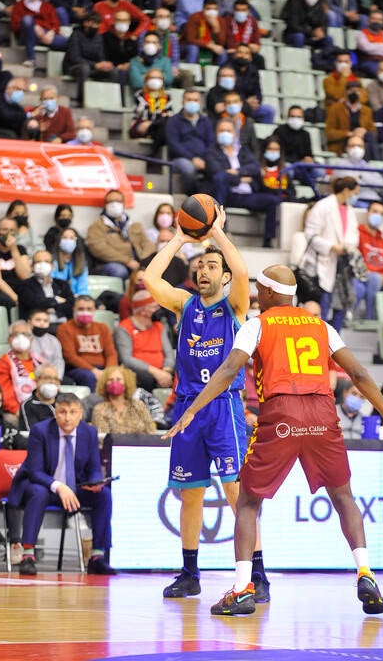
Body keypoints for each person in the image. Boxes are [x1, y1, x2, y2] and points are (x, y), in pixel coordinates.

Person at [165, 264, 383, 616]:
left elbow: (227, 370)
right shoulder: (321, 325)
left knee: (248, 503)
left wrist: (192, 410)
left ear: (266, 294)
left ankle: (241, 589)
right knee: (343, 496)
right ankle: (365, 571)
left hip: (282, 414)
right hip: (323, 414)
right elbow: (358, 373)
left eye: (257, 292)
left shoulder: (257, 324)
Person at [144, 208, 271, 603]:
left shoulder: (234, 307)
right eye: (200, 266)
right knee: (190, 495)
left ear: (225, 276)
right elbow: (149, 278)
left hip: (224, 407)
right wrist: (181, 240)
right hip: (187, 409)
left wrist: (216, 233)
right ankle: (189, 572)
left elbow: (243, 272)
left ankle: (259, 574)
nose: (203, 271)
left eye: (212, 266)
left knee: (237, 495)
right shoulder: (185, 305)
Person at [8, 392, 117, 576]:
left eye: (73, 412)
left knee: (104, 494)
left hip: (74, 488)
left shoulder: (88, 432)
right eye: (62, 412)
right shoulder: (40, 431)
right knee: (38, 492)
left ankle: (97, 557)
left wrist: (95, 482)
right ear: (55, 413)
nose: (67, 417)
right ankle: (28, 555)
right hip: (45, 485)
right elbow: (35, 472)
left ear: (80, 414)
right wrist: (59, 486)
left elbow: (94, 468)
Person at [205, 118, 280, 248]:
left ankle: (269, 241)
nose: (225, 133)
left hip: (248, 195)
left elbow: (255, 167)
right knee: (220, 180)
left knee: (272, 200)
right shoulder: (211, 152)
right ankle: (222, 229)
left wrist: (236, 171)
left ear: (234, 133)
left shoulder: (243, 150)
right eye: (222, 130)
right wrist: (242, 178)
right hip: (227, 195)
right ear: (216, 133)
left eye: (228, 130)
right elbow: (217, 174)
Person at [303, 176, 360, 332]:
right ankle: (318, 337)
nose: (356, 196)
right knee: (324, 302)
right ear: (346, 190)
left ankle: (335, 343)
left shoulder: (349, 210)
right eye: (355, 192)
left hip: (343, 264)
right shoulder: (323, 206)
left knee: (341, 303)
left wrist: (347, 246)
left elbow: (354, 234)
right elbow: (311, 234)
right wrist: (331, 247)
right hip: (323, 261)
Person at [86, 189, 155, 279]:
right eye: (111, 201)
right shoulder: (97, 226)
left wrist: (143, 261)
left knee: (155, 267)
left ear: (123, 204)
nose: (114, 204)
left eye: (118, 201)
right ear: (105, 205)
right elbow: (99, 249)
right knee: (119, 271)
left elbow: (148, 244)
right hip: (112, 263)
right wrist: (127, 261)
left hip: (138, 262)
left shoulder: (134, 225)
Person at [115, 289, 175, 392]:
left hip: (163, 371)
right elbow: (127, 359)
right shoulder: (124, 328)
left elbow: (169, 352)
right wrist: (155, 372)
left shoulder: (159, 327)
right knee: (145, 378)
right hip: (141, 372)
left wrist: (167, 370)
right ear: (142, 310)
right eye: (154, 307)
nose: (158, 310)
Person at [57, 295, 118, 391]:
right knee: (89, 377)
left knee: (121, 375)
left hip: (103, 367)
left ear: (94, 310)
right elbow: (70, 356)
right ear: (74, 310)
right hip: (78, 369)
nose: (85, 312)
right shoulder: (64, 328)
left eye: (89, 309)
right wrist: (93, 371)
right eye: (81, 309)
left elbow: (111, 354)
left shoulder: (103, 327)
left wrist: (108, 372)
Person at [11, 0, 67, 67]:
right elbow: (14, 26)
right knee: (27, 19)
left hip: (47, 36)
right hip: (28, 36)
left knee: (72, 41)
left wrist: (51, 32)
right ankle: (31, 59)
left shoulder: (47, 6)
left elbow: (56, 24)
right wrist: (35, 27)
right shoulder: (18, 6)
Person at [166, 88, 215, 195]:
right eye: (189, 100)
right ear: (183, 102)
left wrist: (205, 159)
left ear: (200, 102)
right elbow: (174, 145)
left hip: (204, 159)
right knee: (188, 169)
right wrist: (192, 159)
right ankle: (191, 197)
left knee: (217, 168)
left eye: (195, 100)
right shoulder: (173, 121)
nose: (192, 103)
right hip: (180, 159)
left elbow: (211, 143)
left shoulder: (206, 121)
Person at [354, 201, 383, 320]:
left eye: (381, 213)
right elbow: (355, 260)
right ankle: (370, 319)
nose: (377, 215)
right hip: (364, 275)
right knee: (375, 278)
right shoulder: (356, 234)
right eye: (375, 211)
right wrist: (379, 276)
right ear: (367, 213)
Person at [0, 320, 42, 418]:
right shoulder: (2, 363)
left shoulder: (38, 362)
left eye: (24, 334)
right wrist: (21, 412)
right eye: (16, 334)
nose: (20, 338)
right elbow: (4, 394)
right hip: (16, 412)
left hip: (41, 408)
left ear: (31, 339)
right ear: (9, 339)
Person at [0, 216, 31, 318]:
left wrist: (14, 250)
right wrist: (16, 298)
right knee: (6, 300)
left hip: (20, 288)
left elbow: (25, 275)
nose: (8, 233)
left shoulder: (20, 250)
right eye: (4, 229)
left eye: (12, 230)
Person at [62, 12, 115, 105]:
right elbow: (74, 57)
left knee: (113, 71)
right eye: (94, 23)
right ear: (86, 23)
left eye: (98, 24)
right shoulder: (76, 35)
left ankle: (110, 101)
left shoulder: (99, 37)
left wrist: (103, 64)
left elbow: (101, 56)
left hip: (93, 68)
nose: (96, 26)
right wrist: (94, 65)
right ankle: (81, 100)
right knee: (84, 68)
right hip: (73, 67)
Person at [91, 364, 156, 438]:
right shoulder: (100, 409)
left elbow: (151, 432)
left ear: (126, 383)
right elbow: (102, 438)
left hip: (139, 447)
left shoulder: (139, 405)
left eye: (118, 379)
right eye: (110, 380)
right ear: (105, 384)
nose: (114, 383)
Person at [18, 248, 74, 323]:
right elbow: (35, 304)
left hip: (61, 324)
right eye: (38, 262)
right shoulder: (25, 285)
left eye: (46, 261)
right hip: (36, 328)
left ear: (53, 266)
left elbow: (71, 304)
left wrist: (53, 309)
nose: (42, 265)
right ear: (32, 267)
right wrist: (56, 300)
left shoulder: (62, 284)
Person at [325, 80, 377, 158]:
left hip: (363, 139)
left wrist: (363, 131)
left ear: (361, 93)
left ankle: (376, 164)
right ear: (346, 92)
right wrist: (350, 133)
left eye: (357, 91)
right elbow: (329, 133)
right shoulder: (335, 108)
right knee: (365, 146)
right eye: (352, 91)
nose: (355, 93)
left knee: (370, 137)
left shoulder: (367, 110)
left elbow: (373, 130)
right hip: (344, 142)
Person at [129, 67, 172, 154]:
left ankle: (153, 152)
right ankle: (154, 153)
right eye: (152, 78)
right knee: (163, 125)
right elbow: (143, 114)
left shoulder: (167, 96)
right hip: (141, 125)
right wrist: (160, 116)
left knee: (163, 125)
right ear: (146, 80)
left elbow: (170, 114)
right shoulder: (140, 95)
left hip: (158, 126)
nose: (155, 81)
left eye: (159, 78)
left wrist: (158, 118)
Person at [182, 0, 227, 66]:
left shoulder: (220, 20)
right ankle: (192, 72)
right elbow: (190, 39)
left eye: (215, 9)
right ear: (203, 9)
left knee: (222, 52)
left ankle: (220, 73)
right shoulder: (195, 17)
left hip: (211, 46)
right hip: (189, 45)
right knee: (193, 49)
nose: (212, 12)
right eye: (208, 9)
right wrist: (209, 45)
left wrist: (216, 28)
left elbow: (221, 43)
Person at [19, 362, 61, 431]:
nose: (52, 382)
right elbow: (33, 433)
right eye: (48, 378)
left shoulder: (65, 400)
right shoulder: (28, 405)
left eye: (55, 379)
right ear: (37, 380)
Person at [356, 10, 383, 79]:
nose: (377, 21)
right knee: (380, 73)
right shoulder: (362, 33)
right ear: (368, 21)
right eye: (374, 19)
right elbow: (366, 48)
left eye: (380, 20)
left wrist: (374, 46)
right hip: (368, 62)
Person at [51, 227, 89, 296]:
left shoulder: (81, 263)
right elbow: (51, 286)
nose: (68, 241)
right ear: (59, 240)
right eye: (65, 238)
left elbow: (83, 289)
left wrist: (80, 299)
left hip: (77, 299)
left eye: (71, 238)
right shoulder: (52, 261)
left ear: (76, 242)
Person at [28, 309, 65, 379]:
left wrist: (57, 378)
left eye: (45, 321)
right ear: (29, 322)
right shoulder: (25, 339)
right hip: (30, 376)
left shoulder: (53, 340)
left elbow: (59, 361)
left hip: (51, 375)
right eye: (38, 320)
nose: (42, 323)